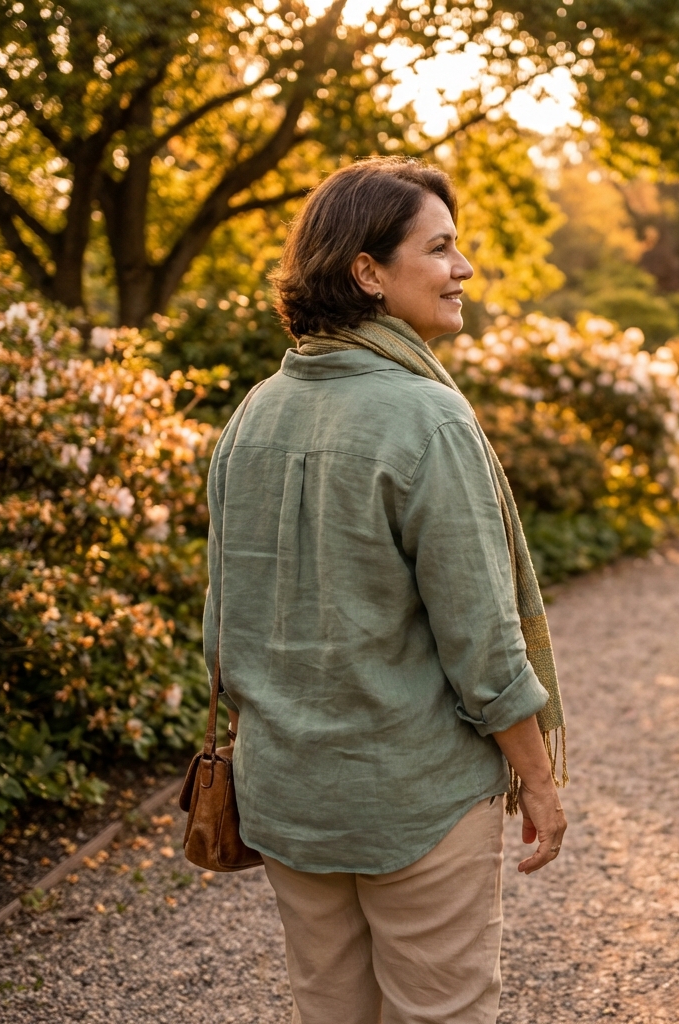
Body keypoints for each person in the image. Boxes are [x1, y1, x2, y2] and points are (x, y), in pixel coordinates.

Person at [202, 156, 568, 1024]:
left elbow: (226, 626)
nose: (463, 268)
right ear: (367, 272)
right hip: (417, 804)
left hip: (288, 797)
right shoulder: (428, 417)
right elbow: (484, 646)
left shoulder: (253, 412)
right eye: (440, 248)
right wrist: (541, 784)